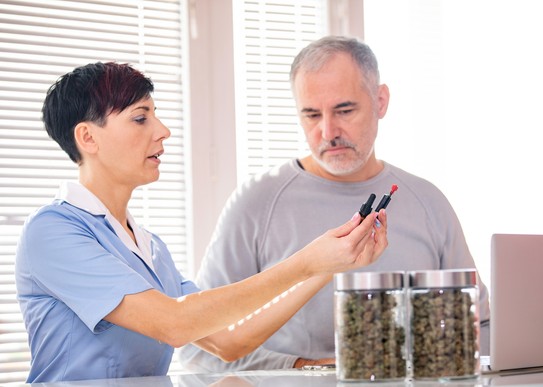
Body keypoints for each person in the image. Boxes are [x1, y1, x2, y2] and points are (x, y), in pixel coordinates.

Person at [14, 61, 388, 383]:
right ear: (87, 137)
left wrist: (329, 266)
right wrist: (306, 261)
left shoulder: (148, 247)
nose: (162, 131)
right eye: (141, 118)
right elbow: (175, 324)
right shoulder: (52, 232)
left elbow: (229, 342)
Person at [179, 35, 491, 372]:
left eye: (344, 110)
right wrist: (306, 366)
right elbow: (200, 352)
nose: (328, 131)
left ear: (381, 100)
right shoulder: (255, 204)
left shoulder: (429, 203)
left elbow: (481, 328)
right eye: (312, 115)